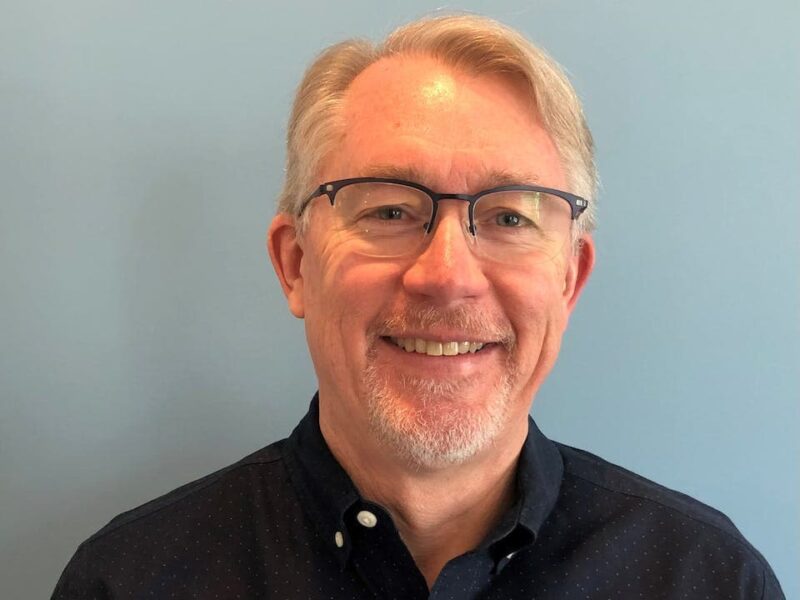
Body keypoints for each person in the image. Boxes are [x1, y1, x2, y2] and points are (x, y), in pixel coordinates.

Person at [52, 14, 784, 599]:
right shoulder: (129, 580)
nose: (448, 275)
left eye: (509, 217)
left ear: (569, 279)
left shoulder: (706, 578)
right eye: (390, 211)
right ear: (296, 264)